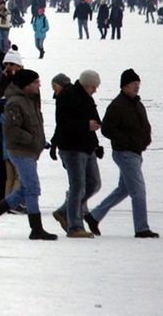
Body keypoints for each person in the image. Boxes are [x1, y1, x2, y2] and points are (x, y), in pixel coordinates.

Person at [0, 69, 55, 240]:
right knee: (32, 188)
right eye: (36, 82)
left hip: (30, 150)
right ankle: (36, 228)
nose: (39, 85)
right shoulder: (15, 102)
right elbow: (13, 130)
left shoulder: (29, 100)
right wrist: (33, 140)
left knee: (23, 189)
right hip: (20, 151)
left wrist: (39, 141)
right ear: (26, 85)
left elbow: (34, 125)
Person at [89, 68, 157, 237]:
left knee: (124, 189)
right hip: (125, 153)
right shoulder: (117, 105)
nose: (137, 87)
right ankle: (142, 228)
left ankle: (93, 216)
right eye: (134, 84)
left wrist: (145, 140)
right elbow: (107, 129)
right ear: (124, 86)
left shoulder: (137, 104)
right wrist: (126, 142)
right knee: (138, 192)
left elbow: (145, 126)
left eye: (138, 84)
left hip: (136, 153)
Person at [50, 69, 103, 238]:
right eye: (94, 87)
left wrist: (96, 144)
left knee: (94, 183)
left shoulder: (87, 98)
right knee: (77, 187)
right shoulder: (68, 95)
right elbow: (63, 123)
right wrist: (85, 125)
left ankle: (64, 211)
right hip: (72, 148)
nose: (95, 90)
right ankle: (75, 226)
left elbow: (94, 120)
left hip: (87, 147)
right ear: (86, 84)